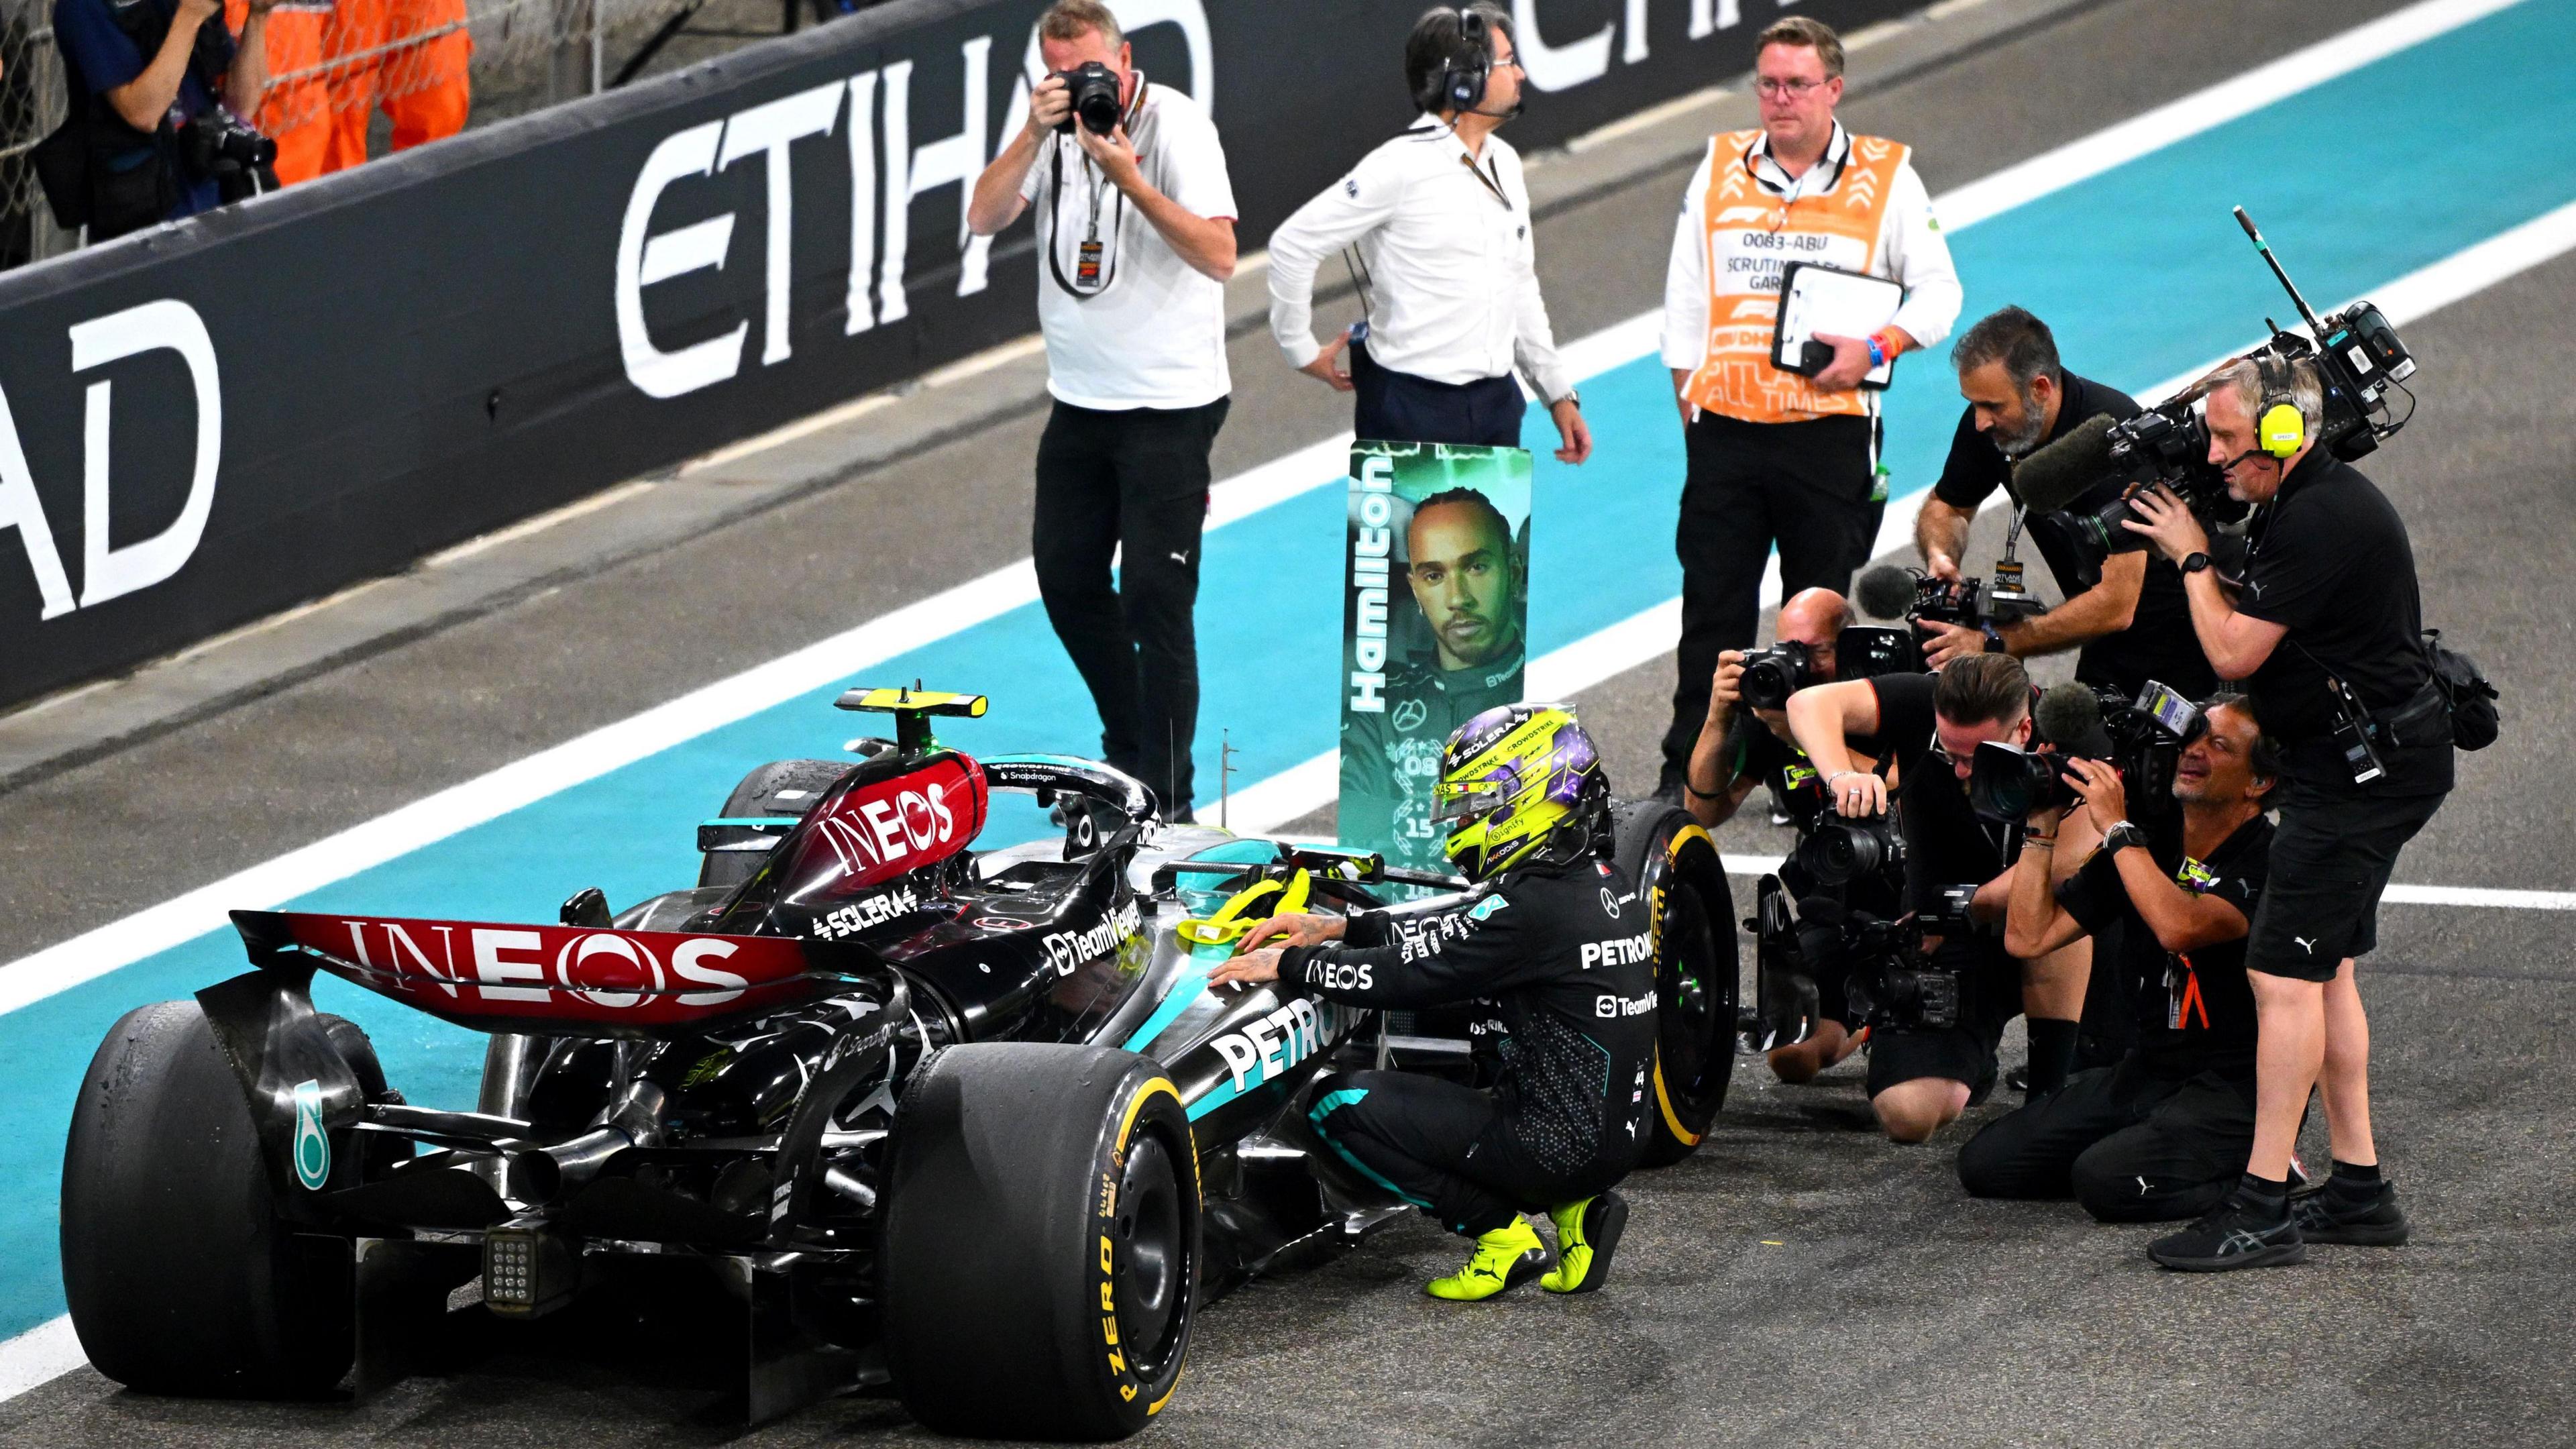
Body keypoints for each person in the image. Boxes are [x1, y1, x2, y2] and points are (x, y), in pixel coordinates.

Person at [2121, 355, 2452, 1271]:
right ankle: (2358, 1190)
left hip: (2361, 778)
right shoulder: (2306, 500)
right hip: (2364, 761)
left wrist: (2189, 554)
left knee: (2280, 977)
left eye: (2229, 438)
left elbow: (2233, 649)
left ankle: (2261, 1204)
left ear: (2281, 433)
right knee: (2328, 969)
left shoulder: (2318, 518)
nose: (2215, 455)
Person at [1213, 705, 1651, 1301]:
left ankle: (1499, 1235)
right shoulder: (1605, 879)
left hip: (1551, 1144)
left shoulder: (1530, 909)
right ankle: (1575, 1210)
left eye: (1479, 804)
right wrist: (1342, 929)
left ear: (1535, 796)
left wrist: (1291, 963)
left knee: (1337, 1104)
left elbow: (1409, 976)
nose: (1466, 821)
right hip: (1618, 1138)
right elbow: (1463, 929)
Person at [1652, 14, 1960, 802]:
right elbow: (1686, 300)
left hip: (1830, 437)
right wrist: (1692, 404)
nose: (1780, 98)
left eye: (1797, 83)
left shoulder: (1886, 177)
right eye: (1768, 83)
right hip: (1726, 434)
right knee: (1710, 615)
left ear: (1834, 88)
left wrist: (1878, 349)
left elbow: (1940, 293)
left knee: (1816, 621)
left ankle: (1807, 775)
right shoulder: (1719, 167)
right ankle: (1688, 774)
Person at [967, 0, 1238, 820]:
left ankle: (1170, 795)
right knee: (1066, 579)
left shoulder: (1177, 128)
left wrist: (1131, 179)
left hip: (1170, 406)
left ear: (1124, 63)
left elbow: (1221, 255)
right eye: (1060, 73)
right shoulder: (1047, 134)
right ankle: (1129, 756)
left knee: (1158, 599)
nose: (1081, 86)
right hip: (1079, 405)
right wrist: (1029, 131)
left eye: (1089, 71)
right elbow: (983, 218)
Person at [1958, 694, 2277, 1220]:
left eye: (2218, 746)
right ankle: (2152, 1150)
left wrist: (2117, 829)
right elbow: (2028, 939)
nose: (2193, 752)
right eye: (2191, 739)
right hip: (2149, 1068)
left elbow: (2179, 926)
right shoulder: (2149, 845)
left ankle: (2268, 1170)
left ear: (2258, 783)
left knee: (2104, 1183)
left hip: (2232, 1085)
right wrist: (2042, 828)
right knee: (1987, 1165)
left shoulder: (2268, 859)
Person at [1786, 654, 2099, 1139]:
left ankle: (2047, 1095)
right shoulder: (1922, 700)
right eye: (1947, 752)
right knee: (1905, 1115)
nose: (1958, 771)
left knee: (2061, 899)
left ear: (2024, 731)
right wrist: (1840, 775)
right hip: (1939, 930)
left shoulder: (2079, 742)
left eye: (1974, 757)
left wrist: (1963, 907)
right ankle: (1959, 1057)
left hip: (2023, 924)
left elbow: (2069, 864)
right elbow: (1808, 704)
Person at [1266, 4, 1592, 462]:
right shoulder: (1399, 168)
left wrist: (1557, 392)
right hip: (1408, 412)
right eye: (1508, 62)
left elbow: (1518, 283)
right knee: (1409, 539)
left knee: (1485, 539)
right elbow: (1293, 244)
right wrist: (1299, 348)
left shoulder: (1506, 164)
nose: (1520, 74)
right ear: (1465, 79)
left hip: (1496, 407)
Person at [1914, 307, 2216, 701]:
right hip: (2104, 636)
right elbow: (1947, 505)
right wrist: (1942, 557)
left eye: (1993, 406)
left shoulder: (2114, 439)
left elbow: (2116, 605)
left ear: (2040, 388)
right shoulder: (1991, 428)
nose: (1979, 422)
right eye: (1973, 404)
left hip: (2183, 641)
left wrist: (1993, 643)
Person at [1681, 586, 1882, 1083]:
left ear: (1848, 647)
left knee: (1906, 1105)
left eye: (1814, 652)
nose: (1799, 666)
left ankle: (1899, 1020)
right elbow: (1703, 810)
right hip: (1830, 904)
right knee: (1792, 1060)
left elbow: (1897, 784)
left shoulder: (1884, 697)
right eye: (1788, 650)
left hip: (1909, 903)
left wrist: (1802, 735)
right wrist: (1718, 715)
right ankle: (1870, 1021)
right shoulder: (1771, 709)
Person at [1340, 488, 1526, 864]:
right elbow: (1359, 831)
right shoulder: (1378, 706)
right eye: (1434, 575)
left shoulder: (1544, 697)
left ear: (1515, 573)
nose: (1458, 598)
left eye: (1476, 567)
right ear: (1415, 589)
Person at [52, 0, 274, 238]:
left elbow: (241, 106)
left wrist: (258, 16)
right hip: (145, 222)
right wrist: (189, 16)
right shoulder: (83, 7)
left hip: (214, 197)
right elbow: (141, 113)